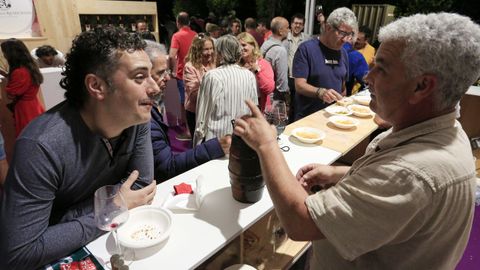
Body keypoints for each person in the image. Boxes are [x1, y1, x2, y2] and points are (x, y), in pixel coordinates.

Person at [233, 12, 480, 269]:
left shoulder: (411, 173)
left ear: (421, 87)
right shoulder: (450, 132)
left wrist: (266, 144)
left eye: (381, 68)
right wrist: (344, 173)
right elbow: (394, 187)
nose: (367, 77)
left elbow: (300, 222)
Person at [0, 27, 159, 269]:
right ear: (96, 86)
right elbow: (19, 252)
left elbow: (141, 186)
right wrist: (113, 206)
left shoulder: (136, 119)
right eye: (139, 77)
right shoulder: (41, 146)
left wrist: (65, 221)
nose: (155, 87)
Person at [145, 41, 230, 182]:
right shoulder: (143, 118)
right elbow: (166, 167)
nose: (166, 78)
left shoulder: (149, 110)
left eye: (211, 49)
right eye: (160, 73)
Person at [292, 7, 356, 120]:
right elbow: (299, 85)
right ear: (328, 27)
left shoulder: (343, 53)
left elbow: (342, 87)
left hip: (334, 118)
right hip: (307, 118)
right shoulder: (306, 49)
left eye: (349, 34)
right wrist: (320, 92)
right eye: (342, 33)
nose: (345, 39)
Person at [193, 35, 258, 146]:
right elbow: (254, 109)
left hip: (217, 142)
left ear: (220, 53)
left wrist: (197, 145)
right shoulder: (249, 75)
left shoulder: (212, 76)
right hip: (242, 138)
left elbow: (202, 116)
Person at [1, 39, 45, 137]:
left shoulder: (19, 72)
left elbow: (11, 94)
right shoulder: (29, 66)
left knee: (28, 137)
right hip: (34, 105)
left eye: (4, 52)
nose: (4, 56)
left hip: (25, 110)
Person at [169, 11, 197, 141]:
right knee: (195, 100)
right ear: (189, 22)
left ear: (177, 22)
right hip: (196, 72)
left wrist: (172, 70)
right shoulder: (196, 35)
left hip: (182, 73)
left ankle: (188, 131)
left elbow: (171, 55)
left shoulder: (177, 36)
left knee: (185, 102)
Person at [183, 33, 216, 137]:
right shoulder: (190, 67)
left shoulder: (215, 63)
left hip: (213, 111)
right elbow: (194, 95)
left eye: (211, 48)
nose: (210, 52)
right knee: (199, 144)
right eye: (206, 49)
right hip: (196, 112)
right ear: (197, 50)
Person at [282, 13, 310, 121]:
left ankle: (296, 123)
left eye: (300, 24)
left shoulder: (307, 39)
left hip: (302, 77)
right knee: (288, 105)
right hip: (288, 76)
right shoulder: (284, 39)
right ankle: (288, 125)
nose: (298, 26)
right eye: (296, 23)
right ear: (291, 24)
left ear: (303, 26)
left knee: (299, 104)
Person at [237, 32, 275, 111]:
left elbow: (269, 88)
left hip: (259, 107)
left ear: (253, 46)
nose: (241, 48)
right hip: (240, 107)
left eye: (244, 45)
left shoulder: (263, 64)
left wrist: (257, 71)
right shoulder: (236, 65)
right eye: (239, 46)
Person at [260, 17, 290, 102]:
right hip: (274, 96)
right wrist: (285, 97)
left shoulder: (266, 44)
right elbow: (282, 81)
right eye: (287, 28)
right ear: (280, 31)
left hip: (263, 91)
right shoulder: (280, 50)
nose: (289, 30)